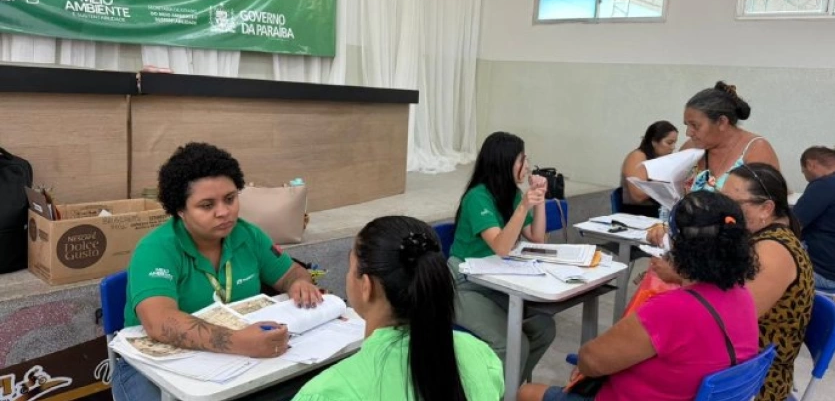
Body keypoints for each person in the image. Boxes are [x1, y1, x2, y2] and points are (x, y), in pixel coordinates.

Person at [113, 142, 323, 401]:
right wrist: (241, 342)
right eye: (206, 205)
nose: (224, 212)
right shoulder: (156, 249)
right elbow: (160, 322)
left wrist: (298, 283)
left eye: (230, 199)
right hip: (152, 366)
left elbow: (291, 272)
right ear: (180, 209)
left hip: (231, 362)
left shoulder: (248, 235)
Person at [518, 191, 760, 401]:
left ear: (680, 247)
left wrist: (585, 364)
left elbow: (591, 360)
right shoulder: (742, 296)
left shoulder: (671, 309)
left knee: (526, 393)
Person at [648, 163, 813, 401]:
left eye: (733, 203)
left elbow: (730, 317)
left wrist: (681, 275)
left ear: (766, 208)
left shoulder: (773, 251)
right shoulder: (757, 237)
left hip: (749, 381)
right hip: (736, 363)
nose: (723, 209)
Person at [294, 216, 504, 401]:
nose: (348, 276)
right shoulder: (482, 356)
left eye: (351, 268)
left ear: (366, 286)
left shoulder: (326, 392)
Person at [448, 131, 555, 382]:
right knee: (514, 345)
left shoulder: (513, 194)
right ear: (503, 162)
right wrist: (523, 206)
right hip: (463, 285)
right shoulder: (478, 197)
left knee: (544, 329)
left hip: (495, 279)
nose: (527, 166)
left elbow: (537, 237)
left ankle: (511, 390)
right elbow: (501, 247)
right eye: (521, 160)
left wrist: (539, 200)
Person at [682, 82, 779, 192]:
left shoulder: (756, 150)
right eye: (687, 125)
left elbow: (765, 202)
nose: (688, 133)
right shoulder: (690, 148)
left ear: (722, 122)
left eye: (695, 125)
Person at [795, 146, 835, 293]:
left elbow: (791, 226)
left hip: (822, 275)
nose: (805, 176)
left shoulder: (824, 185)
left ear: (811, 164)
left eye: (803, 171)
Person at [620, 120, 678, 216]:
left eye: (674, 143)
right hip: (637, 213)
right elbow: (638, 196)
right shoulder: (637, 156)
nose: (673, 147)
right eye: (669, 143)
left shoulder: (658, 159)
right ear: (654, 142)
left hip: (659, 210)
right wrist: (665, 182)